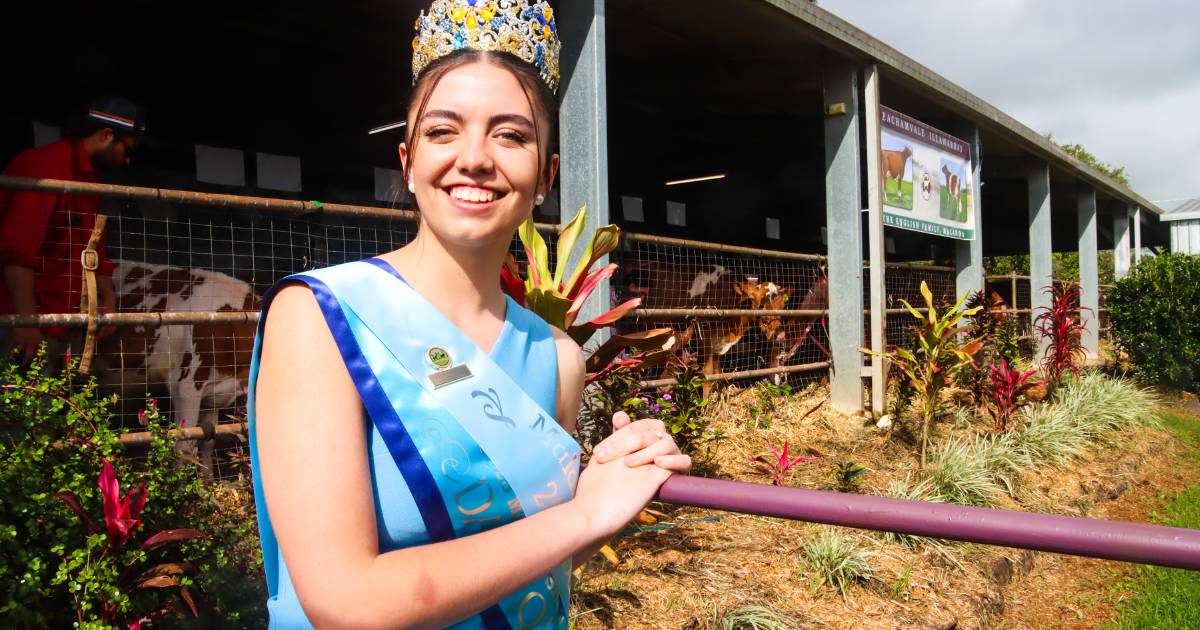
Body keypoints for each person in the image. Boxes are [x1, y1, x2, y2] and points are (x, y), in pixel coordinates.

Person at [249, 2, 691, 628]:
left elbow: (544, 551)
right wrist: (584, 515)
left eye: (511, 135)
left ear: (546, 175)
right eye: (443, 130)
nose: (476, 158)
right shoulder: (322, 317)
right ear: (407, 161)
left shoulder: (556, 357)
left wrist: (614, 485)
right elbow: (345, 601)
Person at [0, 97, 146, 367]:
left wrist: (108, 298)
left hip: (58, 319)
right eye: (128, 150)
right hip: (19, 320)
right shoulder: (48, 168)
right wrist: (24, 320)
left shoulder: (87, 180)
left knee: (49, 404)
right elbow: (16, 251)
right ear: (106, 135)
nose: (127, 161)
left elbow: (93, 245)